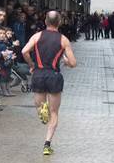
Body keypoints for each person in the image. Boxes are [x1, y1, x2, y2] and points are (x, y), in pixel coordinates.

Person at [21, 11, 77, 155]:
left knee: (40, 106)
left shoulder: (37, 36)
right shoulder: (63, 40)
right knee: (54, 112)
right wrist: (65, 61)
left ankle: (41, 110)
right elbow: (73, 63)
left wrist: (32, 64)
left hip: (39, 74)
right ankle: (47, 144)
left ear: (45, 21)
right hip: (54, 75)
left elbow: (24, 51)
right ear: (60, 22)